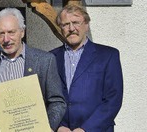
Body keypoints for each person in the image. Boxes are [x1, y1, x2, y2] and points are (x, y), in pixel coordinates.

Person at [0, 8, 65, 131]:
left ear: (22, 32)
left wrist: (47, 127)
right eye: (1, 34)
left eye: (11, 32)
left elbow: (57, 102)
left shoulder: (45, 60)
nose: (6, 39)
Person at [50, 4, 123, 132]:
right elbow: (45, 97)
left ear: (86, 25)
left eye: (76, 22)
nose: (71, 28)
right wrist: (58, 125)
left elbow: (113, 100)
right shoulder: (50, 57)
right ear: (61, 28)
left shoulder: (108, 55)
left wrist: (85, 129)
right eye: (65, 24)